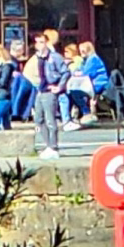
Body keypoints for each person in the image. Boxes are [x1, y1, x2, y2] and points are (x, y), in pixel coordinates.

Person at [31, 28, 69, 158]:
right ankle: (48, 145)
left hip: (50, 90)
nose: (39, 45)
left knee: (50, 119)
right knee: (38, 119)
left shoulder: (54, 57)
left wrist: (59, 87)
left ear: (47, 43)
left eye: (42, 42)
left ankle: (53, 147)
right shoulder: (37, 58)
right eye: (37, 43)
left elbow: (65, 72)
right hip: (40, 90)